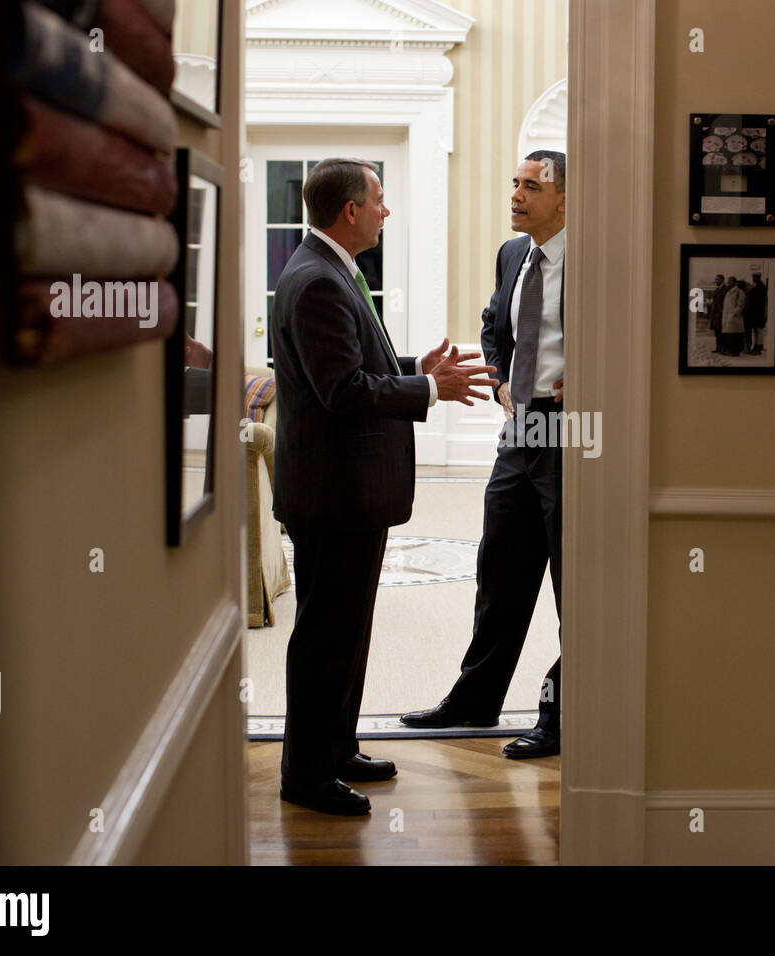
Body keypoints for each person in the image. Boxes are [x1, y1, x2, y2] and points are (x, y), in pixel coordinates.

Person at [271, 158, 497, 815]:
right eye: (378, 201)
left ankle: (336, 749)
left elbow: (345, 363)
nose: (384, 213)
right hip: (333, 495)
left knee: (346, 632)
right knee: (324, 638)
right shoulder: (317, 279)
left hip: (346, 494)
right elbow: (341, 392)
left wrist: (410, 367)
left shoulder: (324, 268)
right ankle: (306, 776)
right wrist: (430, 388)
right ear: (350, 211)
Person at [400, 150, 567, 759]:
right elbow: (494, 323)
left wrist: (593, 374)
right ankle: (475, 701)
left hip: (573, 433)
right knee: (500, 569)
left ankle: (561, 713)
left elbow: (630, 332)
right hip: (518, 430)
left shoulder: (597, 257)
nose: (516, 196)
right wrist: (498, 380)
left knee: (572, 583)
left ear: (566, 199)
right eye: (514, 184)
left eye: (530, 187)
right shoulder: (512, 254)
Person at [722, 275, 745, 356]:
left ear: (735, 283)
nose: (728, 283)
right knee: (729, 335)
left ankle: (735, 352)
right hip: (727, 316)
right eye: (728, 281)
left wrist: (734, 313)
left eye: (730, 281)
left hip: (735, 317)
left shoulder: (740, 292)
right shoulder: (728, 292)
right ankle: (730, 350)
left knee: (735, 335)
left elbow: (741, 305)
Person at [745, 272, 767, 355]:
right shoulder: (756, 286)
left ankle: (758, 347)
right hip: (755, 312)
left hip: (758, 312)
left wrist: (751, 306)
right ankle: (756, 346)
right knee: (756, 330)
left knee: (758, 330)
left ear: (759, 277)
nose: (754, 278)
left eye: (755, 277)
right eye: (753, 277)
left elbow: (760, 301)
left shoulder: (761, 287)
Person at [708, 274, 727, 353]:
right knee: (717, 332)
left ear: (722, 280)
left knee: (721, 332)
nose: (716, 281)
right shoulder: (717, 289)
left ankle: (723, 349)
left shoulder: (725, 289)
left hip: (721, 313)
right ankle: (718, 348)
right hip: (715, 314)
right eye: (716, 279)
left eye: (718, 279)